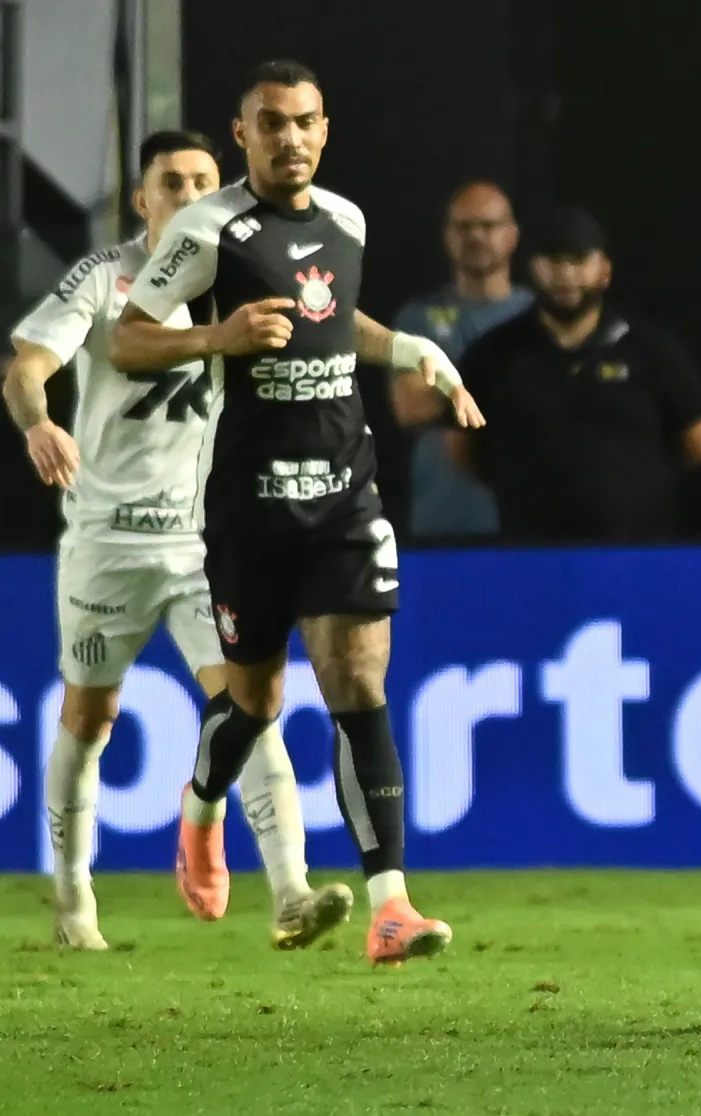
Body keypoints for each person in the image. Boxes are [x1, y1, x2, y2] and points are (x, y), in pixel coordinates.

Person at [110, 61, 484, 966]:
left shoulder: (346, 221)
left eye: (306, 122)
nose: (292, 138)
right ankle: (201, 809)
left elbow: (333, 320)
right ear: (242, 134)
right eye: (272, 123)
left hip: (345, 493)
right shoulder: (208, 229)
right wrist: (215, 337)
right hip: (250, 506)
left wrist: (411, 350)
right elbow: (127, 340)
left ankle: (390, 908)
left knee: (357, 680)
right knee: (256, 699)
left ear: (326, 127)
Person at [2, 130, 348, 951]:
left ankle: (292, 894)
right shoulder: (104, 277)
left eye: (203, 179)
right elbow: (24, 366)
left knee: (250, 705)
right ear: (142, 198)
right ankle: (73, 901)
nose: (190, 193)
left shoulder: (240, 273)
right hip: (107, 543)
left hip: (203, 544)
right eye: (171, 181)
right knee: (90, 718)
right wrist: (38, 423)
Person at [458, 206, 701, 542]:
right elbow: (460, 449)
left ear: (604, 270)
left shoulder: (651, 350)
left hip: (636, 553)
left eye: (578, 260)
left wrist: (636, 487)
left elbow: (700, 443)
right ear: (532, 268)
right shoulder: (492, 353)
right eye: (552, 260)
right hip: (526, 554)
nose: (565, 274)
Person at [391, 181, 533, 538]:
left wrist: (451, 387)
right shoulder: (418, 317)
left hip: (528, 515)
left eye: (488, 226)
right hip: (445, 517)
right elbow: (411, 406)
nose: (476, 236)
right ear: (447, 237)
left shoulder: (537, 315)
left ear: (512, 235)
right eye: (464, 227)